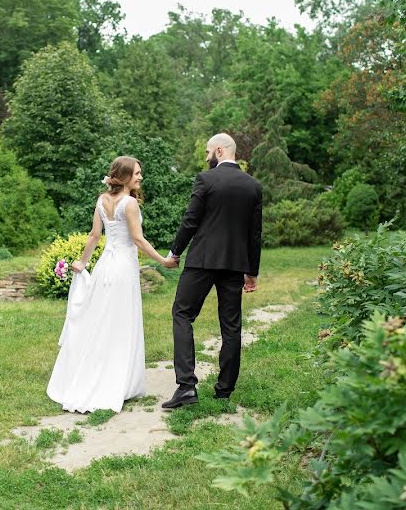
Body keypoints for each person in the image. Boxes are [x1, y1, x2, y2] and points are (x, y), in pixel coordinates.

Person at [47, 156, 174, 413]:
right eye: (137, 173)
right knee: (121, 322)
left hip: (105, 266)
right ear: (124, 176)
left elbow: (95, 236)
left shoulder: (102, 200)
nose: (140, 177)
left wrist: (83, 263)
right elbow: (138, 240)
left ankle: (98, 373)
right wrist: (164, 260)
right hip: (123, 269)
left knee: (102, 321)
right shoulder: (129, 204)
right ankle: (118, 381)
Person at [161, 133, 263, 409]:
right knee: (231, 326)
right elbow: (255, 234)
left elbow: (191, 220)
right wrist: (252, 271)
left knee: (182, 314)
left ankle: (186, 387)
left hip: (202, 260)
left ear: (219, 150)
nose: (206, 157)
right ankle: (224, 390)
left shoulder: (206, 180)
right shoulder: (253, 185)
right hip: (234, 264)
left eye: (208, 152)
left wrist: (175, 252)